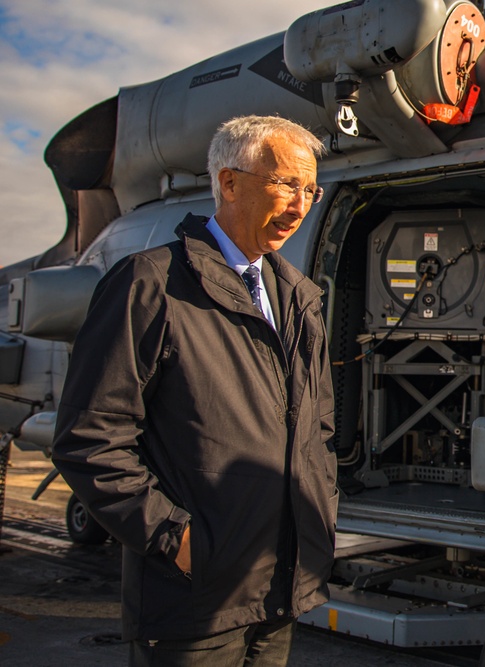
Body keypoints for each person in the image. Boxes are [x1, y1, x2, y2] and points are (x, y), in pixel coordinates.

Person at [52, 115, 337, 666]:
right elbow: (89, 437)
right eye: (284, 184)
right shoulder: (151, 283)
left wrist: (318, 515)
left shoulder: (299, 298)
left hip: (279, 589)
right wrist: (175, 541)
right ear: (229, 184)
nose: (301, 206)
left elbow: (317, 428)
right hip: (192, 604)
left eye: (309, 189)